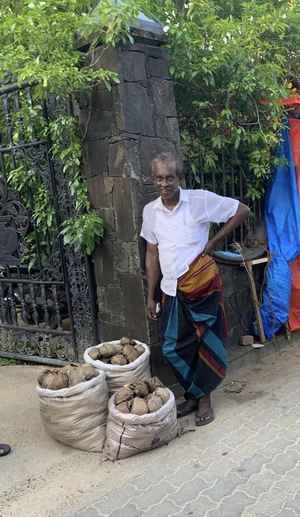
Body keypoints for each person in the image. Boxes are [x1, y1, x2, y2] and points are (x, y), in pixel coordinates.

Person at [141, 152, 249, 426]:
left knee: (206, 342)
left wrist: (214, 243)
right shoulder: (150, 211)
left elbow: (242, 210)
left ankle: (203, 399)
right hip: (171, 289)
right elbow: (152, 254)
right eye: (158, 178)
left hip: (202, 287)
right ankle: (193, 393)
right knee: (172, 348)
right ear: (152, 180)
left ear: (180, 178)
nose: (164, 184)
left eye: (169, 178)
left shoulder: (199, 200)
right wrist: (151, 295)